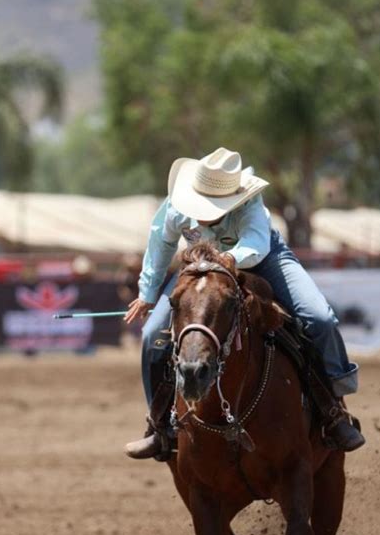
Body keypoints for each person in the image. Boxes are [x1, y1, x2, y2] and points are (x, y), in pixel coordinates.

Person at [125, 147, 365, 457]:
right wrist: (147, 294)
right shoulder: (175, 206)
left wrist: (227, 259)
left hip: (262, 258)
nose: (202, 213)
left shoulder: (249, 203)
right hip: (201, 266)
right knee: (152, 337)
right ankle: (158, 426)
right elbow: (160, 244)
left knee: (319, 318)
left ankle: (333, 409)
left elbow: (255, 244)